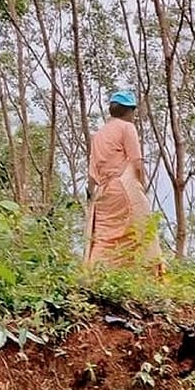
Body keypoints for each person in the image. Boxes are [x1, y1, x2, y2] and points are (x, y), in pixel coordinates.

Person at [85, 90, 163, 272]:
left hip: (103, 193)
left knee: (104, 237)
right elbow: (136, 162)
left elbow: (92, 174)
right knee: (140, 229)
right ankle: (147, 276)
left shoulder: (99, 134)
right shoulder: (127, 128)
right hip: (123, 187)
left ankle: (95, 276)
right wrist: (141, 187)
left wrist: (91, 198)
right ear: (129, 111)